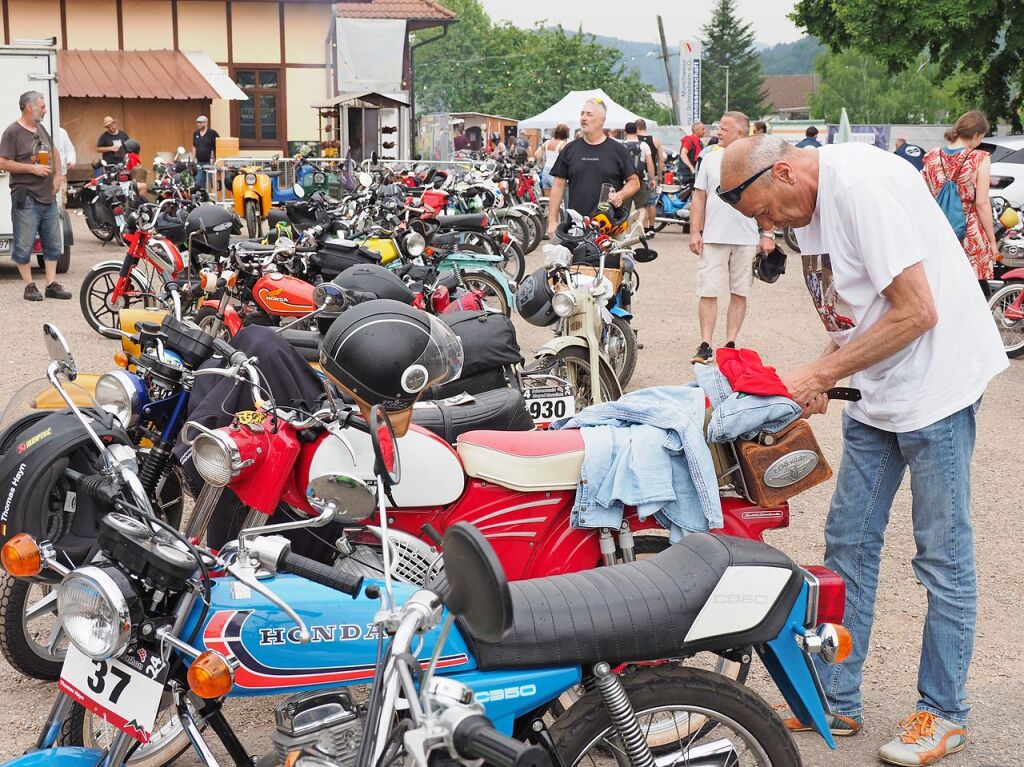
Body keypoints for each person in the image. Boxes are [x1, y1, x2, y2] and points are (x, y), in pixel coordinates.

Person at [719, 134, 1007, 767]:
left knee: (942, 554)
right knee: (848, 541)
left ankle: (943, 712)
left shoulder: (861, 191)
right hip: (881, 390)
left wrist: (820, 377)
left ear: (785, 173)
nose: (769, 227)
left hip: (936, 388)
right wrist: (828, 366)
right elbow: (861, 311)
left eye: (765, 212)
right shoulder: (812, 204)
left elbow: (915, 312)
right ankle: (838, 696)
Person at [687, 111, 774, 363]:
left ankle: (730, 343)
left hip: (746, 237)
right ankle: (705, 344)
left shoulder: (758, 161)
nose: (718, 130)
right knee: (708, 290)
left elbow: (769, 201)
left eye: (725, 127)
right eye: (719, 126)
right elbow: (699, 196)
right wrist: (695, 231)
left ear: (740, 133)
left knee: (740, 291)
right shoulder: (709, 159)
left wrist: (768, 233)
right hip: (714, 235)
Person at [0, 91, 71, 301]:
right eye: (42, 106)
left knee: (53, 243)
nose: (45, 109)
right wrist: (32, 169)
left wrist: (58, 176)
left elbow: (54, 152)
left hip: (47, 196)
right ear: (29, 107)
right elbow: (3, 162)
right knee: (24, 243)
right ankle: (29, 285)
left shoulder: (40, 128)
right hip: (26, 196)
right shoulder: (12, 132)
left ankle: (51, 284)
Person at [921, 111, 1000, 297]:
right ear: (976, 135)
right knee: (974, 287)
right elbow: (981, 203)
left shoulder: (931, 157)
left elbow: (924, 196)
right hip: (969, 231)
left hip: (938, 228)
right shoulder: (980, 158)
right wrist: (992, 240)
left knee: (940, 284)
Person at [546, 98, 640, 239]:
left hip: (609, 226)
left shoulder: (617, 150)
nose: (583, 118)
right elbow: (558, 185)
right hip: (576, 227)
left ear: (602, 120)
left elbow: (634, 182)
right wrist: (552, 221)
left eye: (589, 114)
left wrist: (620, 195)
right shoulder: (570, 149)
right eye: (582, 114)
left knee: (614, 261)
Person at [623, 122, 655, 223]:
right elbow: (649, 164)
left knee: (625, 208)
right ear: (637, 131)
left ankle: (626, 233)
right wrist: (652, 179)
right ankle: (639, 223)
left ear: (625, 132)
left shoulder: (620, 146)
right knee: (642, 205)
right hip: (640, 178)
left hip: (625, 180)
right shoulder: (643, 145)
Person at [635, 118, 663, 237]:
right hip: (652, 175)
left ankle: (644, 228)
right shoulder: (655, 140)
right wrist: (659, 176)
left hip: (637, 176)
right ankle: (651, 228)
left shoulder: (635, 140)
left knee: (642, 205)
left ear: (636, 127)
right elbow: (661, 160)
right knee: (651, 203)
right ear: (645, 127)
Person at [535, 123, 569, 195]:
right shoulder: (563, 144)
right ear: (566, 134)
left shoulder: (547, 142)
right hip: (556, 174)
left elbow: (536, 155)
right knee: (559, 200)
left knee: (547, 202)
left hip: (545, 172)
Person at [192, 115, 219, 190]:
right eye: (197, 122)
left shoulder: (212, 133)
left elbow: (218, 146)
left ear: (206, 123)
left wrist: (216, 160)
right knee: (199, 180)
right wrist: (193, 160)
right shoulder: (196, 133)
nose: (198, 124)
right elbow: (194, 146)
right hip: (199, 162)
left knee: (210, 181)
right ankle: (201, 196)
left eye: (200, 122)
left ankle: (210, 196)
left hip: (209, 162)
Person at [56, 125, 75, 207]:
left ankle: (61, 217)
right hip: (45, 173)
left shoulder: (62, 132)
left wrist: (71, 160)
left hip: (61, 173)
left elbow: (70, 149)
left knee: (62, 198)